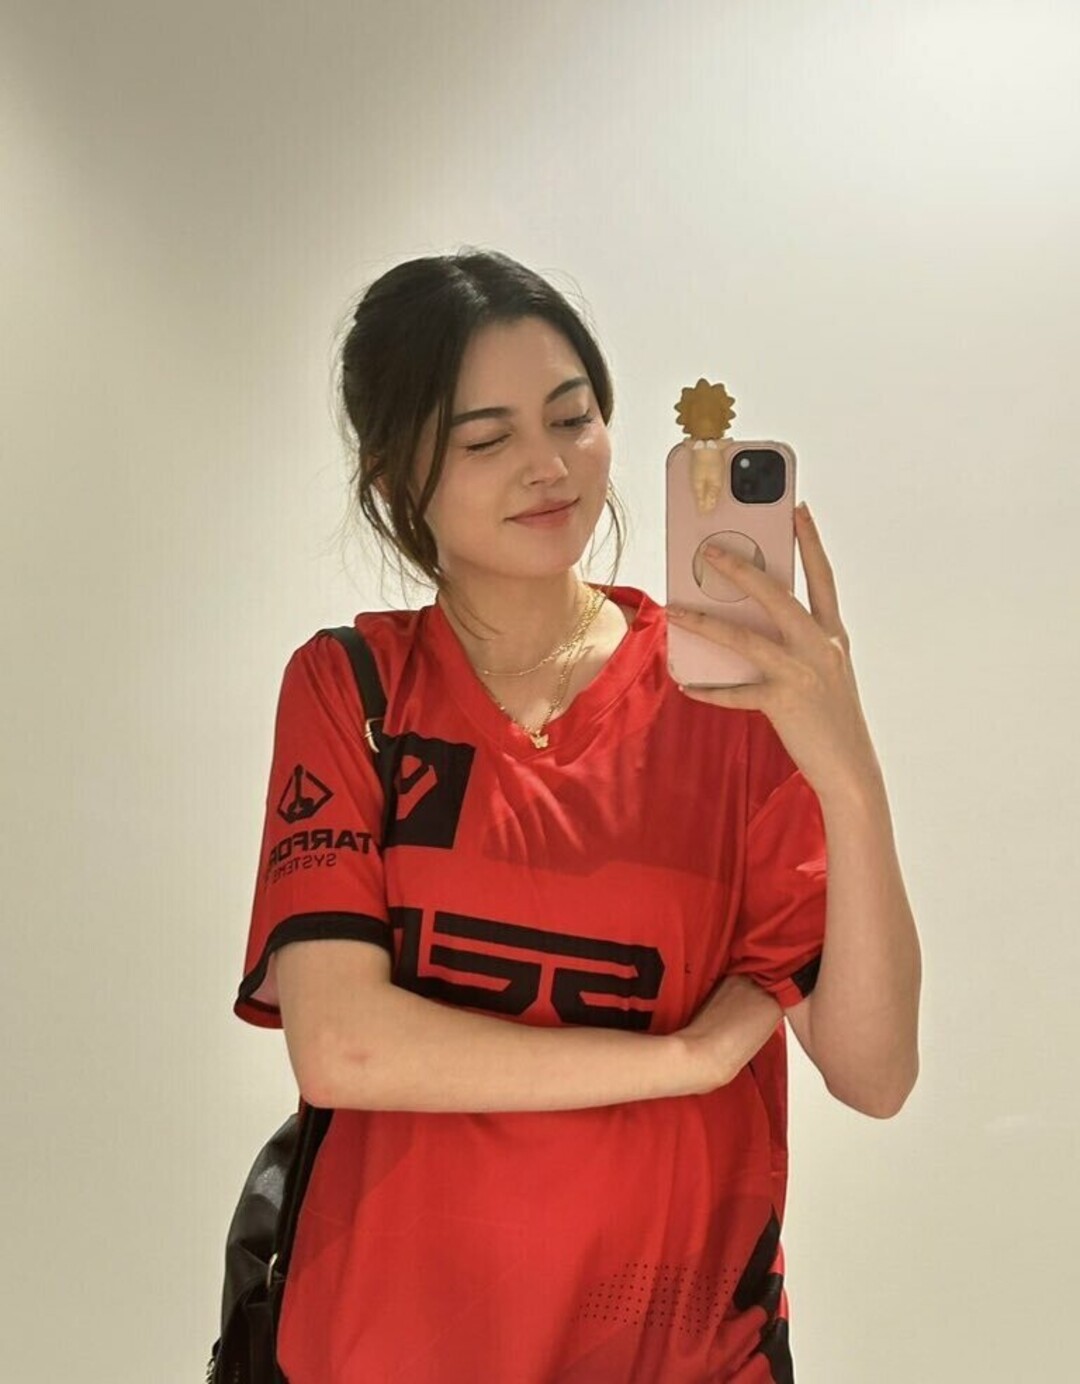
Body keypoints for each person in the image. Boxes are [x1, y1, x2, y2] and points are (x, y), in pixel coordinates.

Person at [234, 248, 922, 1383]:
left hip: (682, 1354)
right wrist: (687, 1059)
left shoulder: (727, 700)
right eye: (486, 439)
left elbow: (875, 1072)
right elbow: (345, 1047)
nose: (549, 466)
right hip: (387, 1350)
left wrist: (847, 767)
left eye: (573, 417)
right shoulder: (353, 690)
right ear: (394, 475)